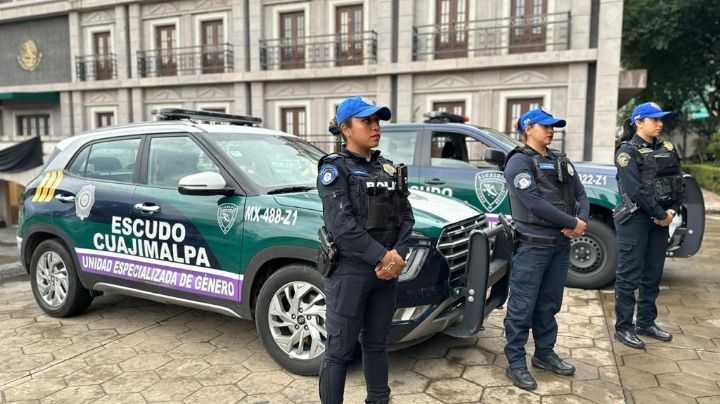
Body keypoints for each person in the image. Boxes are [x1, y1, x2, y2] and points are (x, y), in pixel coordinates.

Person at [317, 96, 415, 404]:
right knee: (339, 352)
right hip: (350, 272)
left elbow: (407, 216)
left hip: (385, 274)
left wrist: (397, 254)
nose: (375, 127)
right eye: (366, 122)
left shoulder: (387, 168)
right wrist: (383, 257)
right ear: (346, 129)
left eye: (377, 121)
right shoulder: (335, 169)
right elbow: (342, 226)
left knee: (376, 345)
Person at [503, 108, 589, 390]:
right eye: (545, 126)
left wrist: (582, 221)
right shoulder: (519, 162)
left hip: (559, 245)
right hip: (532, 246)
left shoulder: (561, 160)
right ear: (528, 129)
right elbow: (534, 203)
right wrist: (571, 222)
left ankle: (544, 354)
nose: (551, 130)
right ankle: (515, 362)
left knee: (549, 304)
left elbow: (580, 193)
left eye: (554, 126)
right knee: (522, 306)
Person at [612, 102, 683, 349]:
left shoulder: (667, 147)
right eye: (655, 120)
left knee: (652, 275)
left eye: (661, 119)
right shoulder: (627, 152)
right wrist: (661, 214)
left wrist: (672, 210)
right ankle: (623, 327)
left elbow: (677, 181)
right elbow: (636, 190)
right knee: (629, 276)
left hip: (661, 219)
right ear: (639, 123)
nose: (660, 124)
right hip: (636, 220)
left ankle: (646, 322)